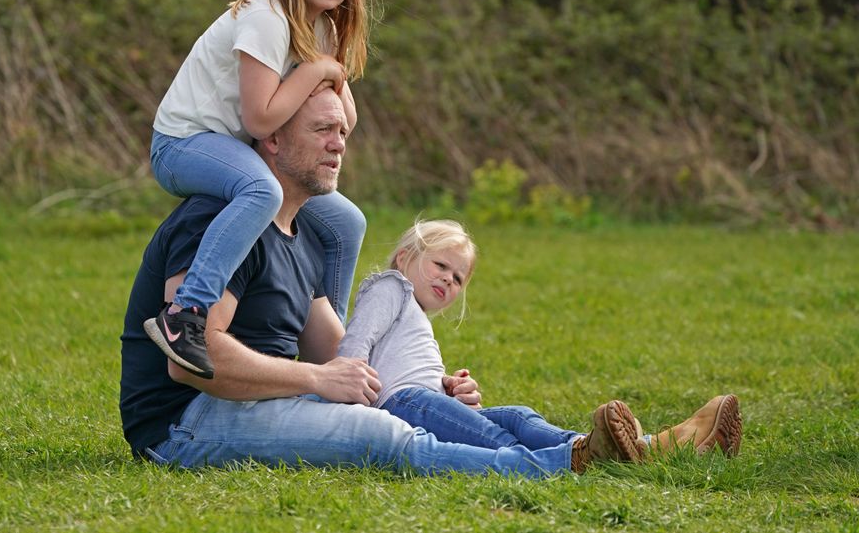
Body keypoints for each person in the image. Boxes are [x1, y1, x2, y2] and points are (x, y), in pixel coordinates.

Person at [120, 89, 664, 477]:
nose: (339, 146)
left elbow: (339, 354)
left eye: (343, 133)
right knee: (379, 435)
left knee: (428, 411)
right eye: (322, 131)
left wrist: (428, 386)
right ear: (271, 141)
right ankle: (566, 464)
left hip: (260, 400)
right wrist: (315, 380)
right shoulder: (215, 221)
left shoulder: (303, 234)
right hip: (183, 423)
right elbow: (191, 361)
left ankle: (613, 446)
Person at [144, 0, 380, 378]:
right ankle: (185, 315)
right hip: (184, 144)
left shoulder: (323, 26)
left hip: (234, 149)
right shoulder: (267, 16)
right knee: (262, 191)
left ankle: (333, 349)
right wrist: (318, 69)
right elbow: (260, 118)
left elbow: (344, 118)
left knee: (346, 222)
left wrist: (330, 66)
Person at [338, 219, 743, 469]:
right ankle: (578, 459)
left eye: (459, 277)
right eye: (440, 265)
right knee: (496, 439)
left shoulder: (413, 311)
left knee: (516, 415)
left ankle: (631, 448)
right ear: (406, 256)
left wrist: (450, 387)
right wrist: (350, 398)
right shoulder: (391, 285)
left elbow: (397, 361)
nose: (448, 279)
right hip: (404, 406)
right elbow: (358, 343)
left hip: (420, 400)